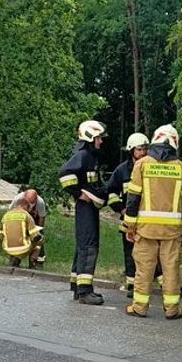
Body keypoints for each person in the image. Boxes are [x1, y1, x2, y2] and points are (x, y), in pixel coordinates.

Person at [123, 124, 182, 320]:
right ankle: (172, 309)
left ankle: (139, 307)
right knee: (171, 269)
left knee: (144, 268)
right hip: (172, 230)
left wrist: (130, 226)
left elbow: (133, 198)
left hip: (146, 229)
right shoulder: (181, 167)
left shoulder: (142, 164)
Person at [58, 120, 107, 305]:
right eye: (99, 138)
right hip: (85, 207)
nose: (101, 142)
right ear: (90, 137)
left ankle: (77, 287)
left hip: (90, 207)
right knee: (89, 245)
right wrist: (79, 193)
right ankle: (85, 291)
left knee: (84, 245)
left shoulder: (90, 156)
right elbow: (64, 174)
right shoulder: (84, 155)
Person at [106, 133, 158, 298]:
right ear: (131, 150)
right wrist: (120, 209)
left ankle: (157, 282)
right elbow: (111, 192)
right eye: (139, 149)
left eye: (145, 149)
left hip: (149, 219)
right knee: (130, 252)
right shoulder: (122, 170)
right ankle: (131, 285)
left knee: (153, 252)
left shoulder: (153, 167)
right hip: (129, 219)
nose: (143, 152)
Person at [0, 203, 43, 269]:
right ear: (26, 207)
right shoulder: (26, 215)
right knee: (39, 240)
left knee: (13, 240)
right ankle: (33, 263)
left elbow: (1, 235)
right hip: (23, 248)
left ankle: (13, 258)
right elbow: (34, 235)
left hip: (7, 248)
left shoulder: (5, 216)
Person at [9, 189, 47, 265]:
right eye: (28, 202)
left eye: (32, 203)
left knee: (38, 239)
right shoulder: (17, 199)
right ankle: (15, 259)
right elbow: (10, 213)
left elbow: (42, 217)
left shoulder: (40, 202)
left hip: (34, 220)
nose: (30, 205)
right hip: (20, 219)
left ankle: (36, 262)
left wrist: (38, 230)